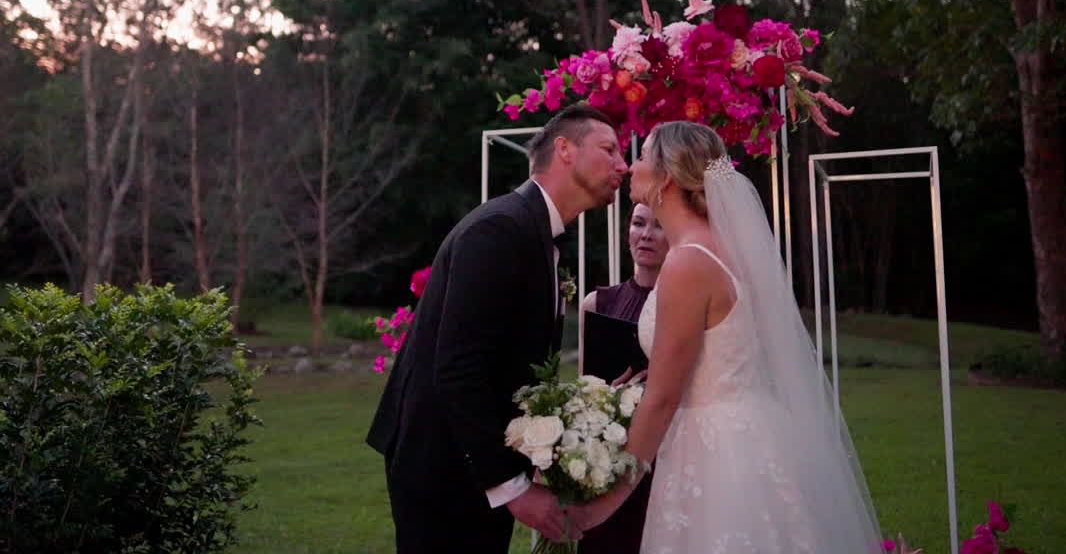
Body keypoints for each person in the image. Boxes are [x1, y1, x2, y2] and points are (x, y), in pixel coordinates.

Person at [570, 121, 882, 553]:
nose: (630, 166)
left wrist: (607, 502)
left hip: (716, 454)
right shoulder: (716, 248)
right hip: (743, 431)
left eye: (641, 156)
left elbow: (663, 397)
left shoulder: (688, 263)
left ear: (666, 176)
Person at [366, 103, 629, 554]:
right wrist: (512, 487)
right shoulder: (498, 231)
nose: (622, 165)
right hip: (442, 465)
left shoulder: (536, 236)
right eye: (609, 149)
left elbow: (508, 366)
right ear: (563, 149)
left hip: (473, 461)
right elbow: (458, 368)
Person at [576, 202, 666, 554]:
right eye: (638, 223)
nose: (645, 234)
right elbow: (584, 394)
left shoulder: (686, 307)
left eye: (658, 226)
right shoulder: (596, 303)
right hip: (610, 456)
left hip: (667, 455)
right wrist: (610, 397)